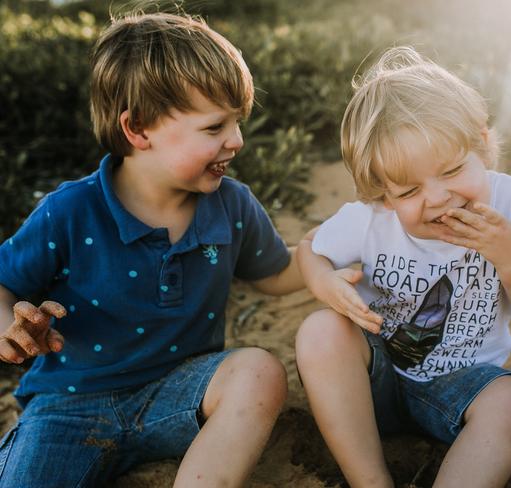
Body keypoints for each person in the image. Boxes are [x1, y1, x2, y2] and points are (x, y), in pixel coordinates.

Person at [0, 12, 305, 488]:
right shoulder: (70, 212)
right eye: (215, 128)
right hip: (70, 405)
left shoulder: (232, 205)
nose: (237, 140)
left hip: (179, 393)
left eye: (237, 122)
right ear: (139, 130)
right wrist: (9, 325)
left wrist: (335, 252)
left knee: (258, 371)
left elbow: (277, 272)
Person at [296, 46, 511, 488]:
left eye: (453, 170)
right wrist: (325, 282)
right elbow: (311, 247)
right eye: (408, 192)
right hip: (373, 383)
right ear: (383, 195)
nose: (438, 197)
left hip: (464, 385)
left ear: (481, 143)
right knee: (320, 330)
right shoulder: (370, 220)